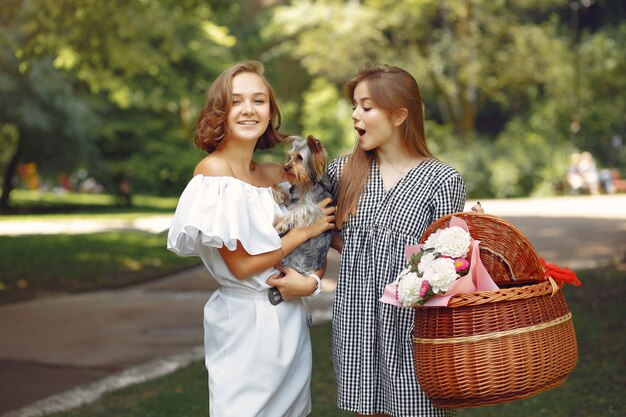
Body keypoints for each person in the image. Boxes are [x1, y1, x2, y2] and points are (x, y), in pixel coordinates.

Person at [166, 61, 335, 417]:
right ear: (221, 112)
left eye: (258, 100)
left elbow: (323, 238)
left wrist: (311, 282)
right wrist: (303, 232)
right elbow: (242, 266)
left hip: (291, 320)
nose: (248, 110)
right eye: (236, 101)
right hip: (245, 325)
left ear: (270, 112)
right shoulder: (214, 174)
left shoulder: (277, 175)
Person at [328, 64, 468, 417]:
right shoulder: (341, 172)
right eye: (354, 106)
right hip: (356, 320)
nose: (355, 115)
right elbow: (317, 227)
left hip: (412, 328)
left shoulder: (442, 180)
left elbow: (446, 266)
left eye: (366, 106)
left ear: (400, 114)